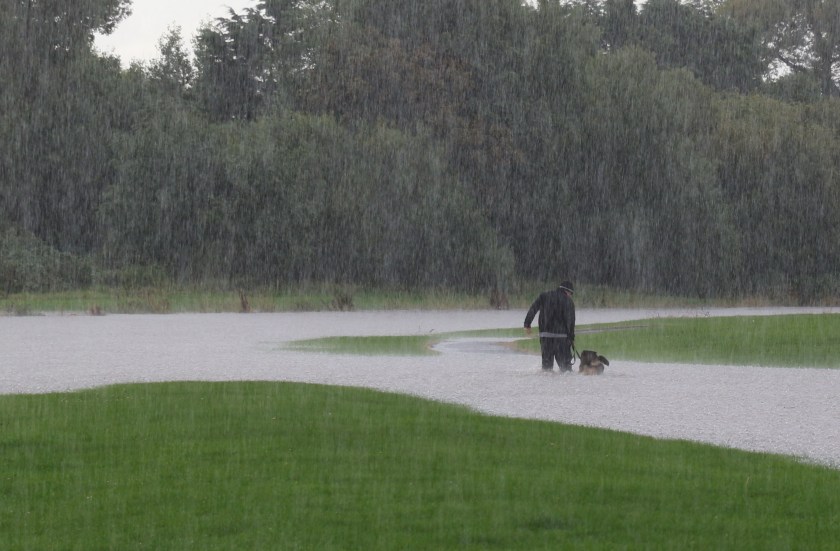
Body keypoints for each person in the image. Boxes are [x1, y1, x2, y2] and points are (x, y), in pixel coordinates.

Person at [524, 281, 576, 372]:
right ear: (567, 291)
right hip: (562, 339)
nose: (570, 296)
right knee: (566, 370)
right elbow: (571, 321)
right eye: (571, 293)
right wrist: (571, 338)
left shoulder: (544, 296)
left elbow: (533, 309)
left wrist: (527, 324)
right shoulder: (568, 301)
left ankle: (546, 386)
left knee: (546, 369)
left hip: (546, 337)